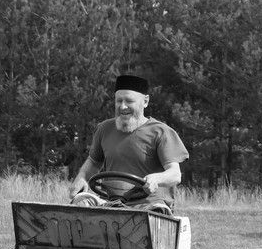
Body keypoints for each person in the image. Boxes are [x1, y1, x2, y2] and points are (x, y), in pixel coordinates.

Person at [70, 74, 188, 211]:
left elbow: (175, 175)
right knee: (80, 202)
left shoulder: (161, 132)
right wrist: (82, 177)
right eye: (119, 101)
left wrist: (157, 179)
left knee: (153, 213)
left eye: (129, 101)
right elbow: (93, 162)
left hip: (149, 205)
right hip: (111, 204)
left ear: (145, 101)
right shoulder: (104, 129)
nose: (123, 106)